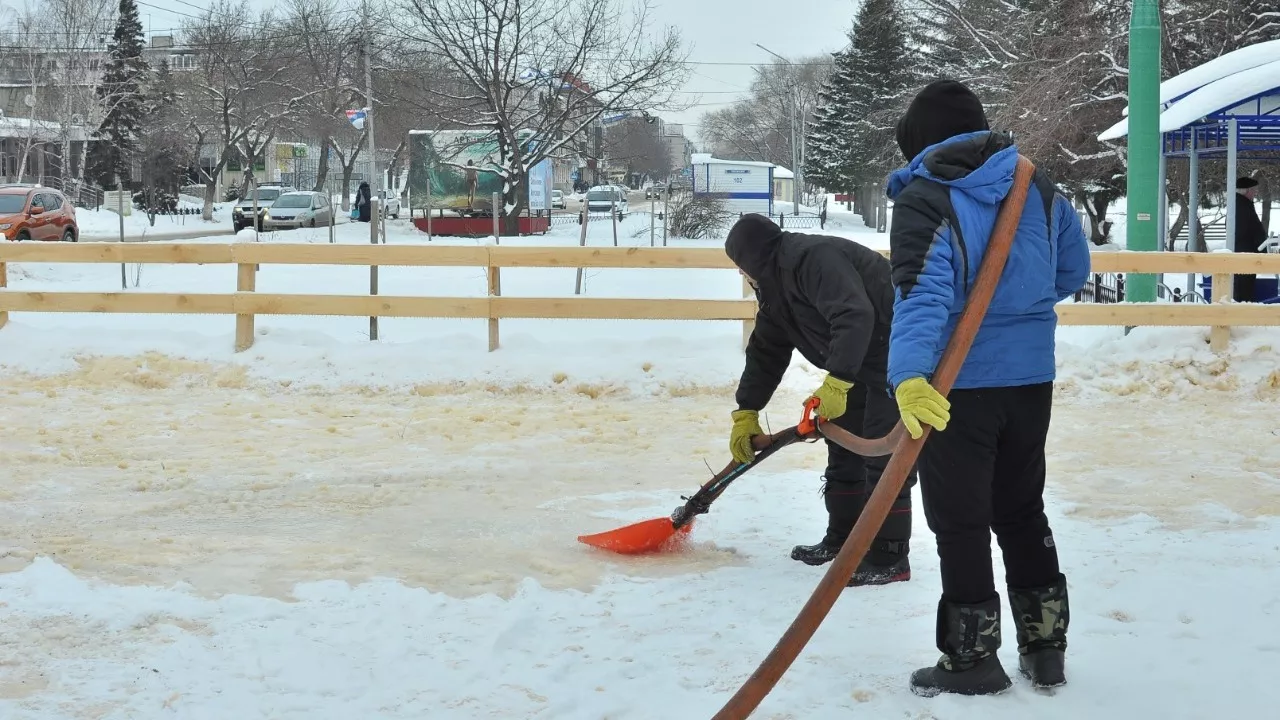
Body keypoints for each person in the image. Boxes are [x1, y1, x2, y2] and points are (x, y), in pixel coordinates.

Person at [884, 79, 1091, 696]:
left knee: (962, 520)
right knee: (1023, 509)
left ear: (919, 142)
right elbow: (1073, 270)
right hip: (1031, 380)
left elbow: (922, 295)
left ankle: (971, 659)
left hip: (957, 385)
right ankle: (1045, 649)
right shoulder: (1037, 183)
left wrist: (908, 376)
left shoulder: (926, 197)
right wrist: (1018, 312)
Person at [724, 213, 915, 587]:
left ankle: (889, 557)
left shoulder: (812, 258)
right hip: (858, 363)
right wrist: (746, 410)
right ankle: (843, 540)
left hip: (897, 359)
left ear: (750, 258)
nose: (741, 275)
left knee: (883, 455)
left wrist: (838, 382)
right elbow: (766, 351)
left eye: (739, 266)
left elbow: (854, 313)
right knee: (843, 449)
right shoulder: (776, 284)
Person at [1231, 176, 1268, 302]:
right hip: (1244, 253)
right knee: (1244, 287)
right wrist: (1259, 247)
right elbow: (1247, 230)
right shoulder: (1242, 206)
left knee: (1244, 285)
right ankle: (1243, 312)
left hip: (1246, 251)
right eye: (1254, 190)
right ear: (1246, 191)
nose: (1256, 192)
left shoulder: (1242, 204)